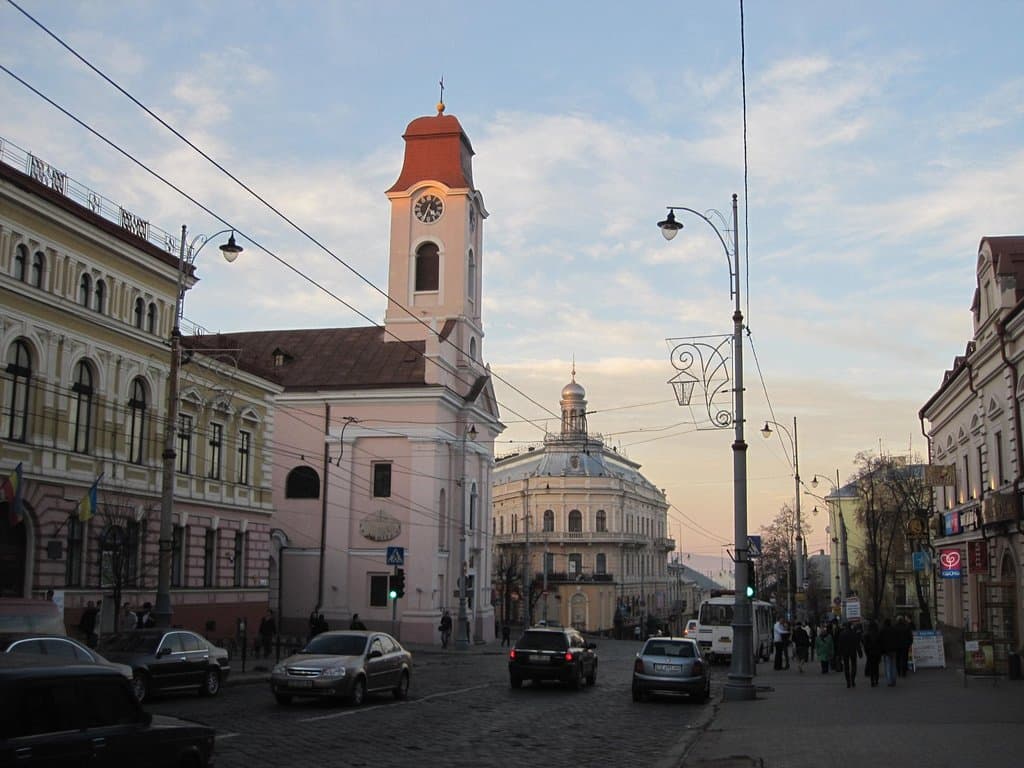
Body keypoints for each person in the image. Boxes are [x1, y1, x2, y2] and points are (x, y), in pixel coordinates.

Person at [836, 621, 863, 688]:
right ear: (851, 626)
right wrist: (860, 653)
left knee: (846, 667)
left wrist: (839, 654)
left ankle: (848, 682)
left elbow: (840, 645)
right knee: (854, 665)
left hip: (845, 652)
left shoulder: (842, 634)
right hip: (852, 651)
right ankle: (852, 680)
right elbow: (857, 644)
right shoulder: (854, 633)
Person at [880, 617, 900, 686]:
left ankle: (889, 681)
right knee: (893, 665)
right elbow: (897, 639)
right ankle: (894, 680)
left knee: (888, 666)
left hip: (886, 651)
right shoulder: (894, 629)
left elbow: (881, 641)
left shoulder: (882, 630)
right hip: (894, 650)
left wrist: (882, 650)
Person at [862, 618, 882, 687]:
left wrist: (867, 653)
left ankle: (872, 681)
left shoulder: (867, 634)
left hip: (870, 653)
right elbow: (881, 644)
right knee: (876, 666)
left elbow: (865, 645)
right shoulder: (878, 634)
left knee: (871, 666)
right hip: (877, 653)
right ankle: (876, 679)